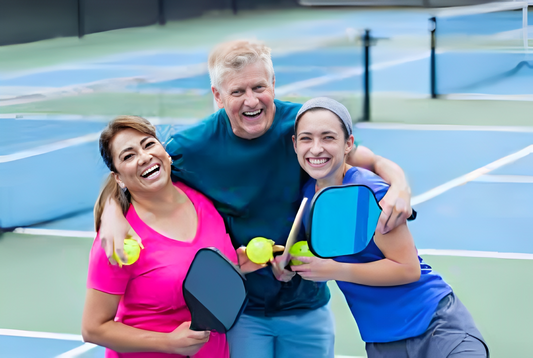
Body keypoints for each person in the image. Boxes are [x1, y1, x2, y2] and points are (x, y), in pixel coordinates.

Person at [97, 40, 414, 358]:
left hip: (307, 306)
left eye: (259, 87)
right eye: (237, 92)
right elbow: (140, 172)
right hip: (241, 313)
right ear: (218, 96)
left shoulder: (304, 128)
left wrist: (400, 185)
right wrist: (111, 211)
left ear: (273, 84)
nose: (251, 100)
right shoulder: (192, 147)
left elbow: (371, 161)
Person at [291, 97, 489, 358]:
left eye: (328, 138)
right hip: (383, 342)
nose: (316, 149)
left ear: (348, 143)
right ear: (295, 144)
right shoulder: (309, 195)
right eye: (307, 139)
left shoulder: (370, 192)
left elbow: (407, 269)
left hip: (434, 327)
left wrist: (333, 270)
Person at [82, 115, 262, 358]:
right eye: (128, 156)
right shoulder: (118, 240)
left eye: (148, 144)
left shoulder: (203, 200)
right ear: (119, 178)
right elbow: (93, 329)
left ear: (164, 151)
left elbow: (197, 273)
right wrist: (166, 342)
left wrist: (235, 265)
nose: (144, 157)